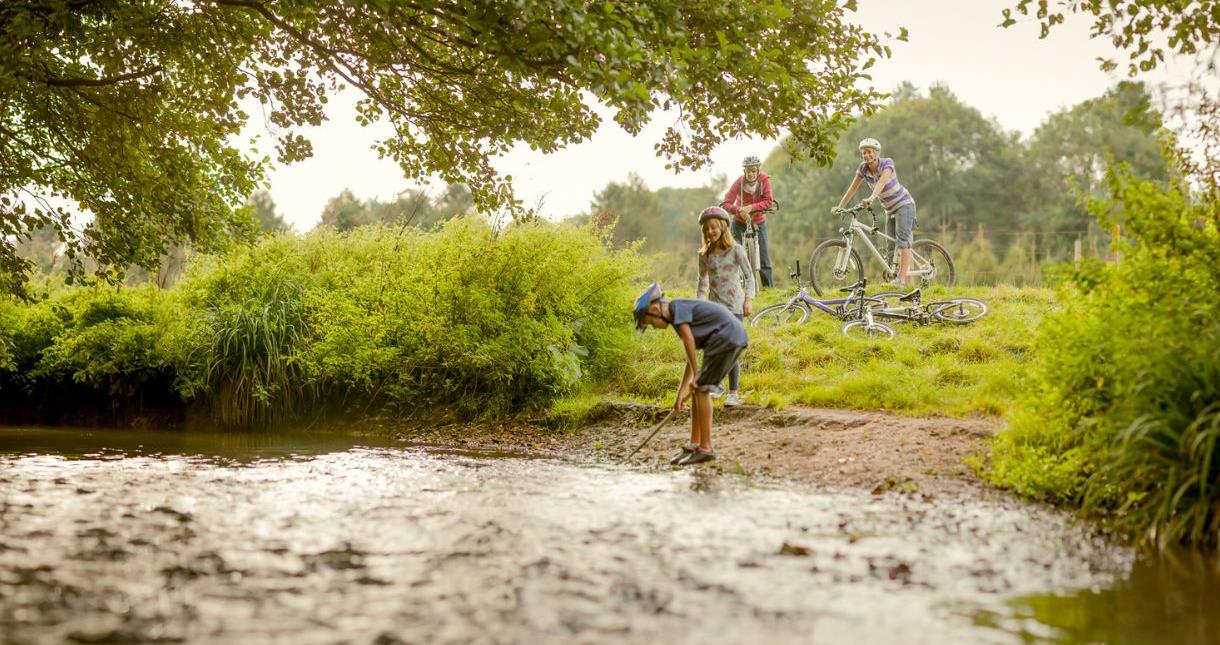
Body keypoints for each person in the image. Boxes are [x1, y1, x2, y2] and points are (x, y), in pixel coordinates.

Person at [633, 283, 749, 466]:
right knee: (697, 389)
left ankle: (706, 449)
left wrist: (696, 376)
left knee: (701, 389)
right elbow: (691, 353)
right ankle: (695, 445)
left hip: (726, 336)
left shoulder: (677, 308)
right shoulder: (677, 316)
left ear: (655, 309)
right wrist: (681, 391)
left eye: (650, 323)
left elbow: (688, 340)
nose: (654, 327)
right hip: (728, 337)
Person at [834, 137, 917, 285]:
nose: (867, 155)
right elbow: (853, 188)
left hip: (904, 204)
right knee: (890, 247)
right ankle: (894, 278)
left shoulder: (887, 163)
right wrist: (840, 206)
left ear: (876, 153)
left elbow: (882, 181)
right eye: (864, 153)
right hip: (889, 210)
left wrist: (872, 197)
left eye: (870, 152)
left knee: (902, 241)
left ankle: (902, 280)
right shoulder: (863, 168)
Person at [695, 206, 754, 408]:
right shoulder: (704, 255)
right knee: (713, 348)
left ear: (722, 227)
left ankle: (734, 393)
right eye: (706, 230)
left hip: (735, 307)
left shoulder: (736, 250)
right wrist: (699, 306)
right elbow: (702, 283)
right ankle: (717, 385)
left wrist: (748, 299)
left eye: (713, 227)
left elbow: (749, 276)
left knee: (731, 348)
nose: (710, 232)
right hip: (714, 308)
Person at [721, 155, 775, 288]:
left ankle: (769, 289)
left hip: (758, 220)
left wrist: (751, 207)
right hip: (739, 221)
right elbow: (726, 203)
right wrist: (739, 210)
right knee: (733, 252)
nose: (750, 174)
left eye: (753, 170)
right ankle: (733, 286)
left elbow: (769, 201)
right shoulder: (739, 182)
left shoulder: (764, 180)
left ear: (758, 170)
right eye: (748, 171)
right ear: (744, 171)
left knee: (764, 256)